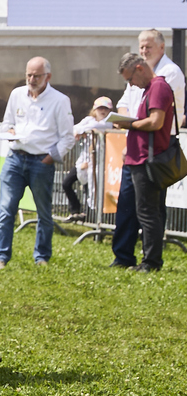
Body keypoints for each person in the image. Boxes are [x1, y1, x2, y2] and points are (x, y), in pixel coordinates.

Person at [0, 57, 74, 271]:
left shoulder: (59, 100)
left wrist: (49, 157)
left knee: (43, 212)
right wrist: (8, 132)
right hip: (15, 158)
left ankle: (42, 256)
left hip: (41, 161)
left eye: (37, 75)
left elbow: (68, 137)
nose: (32, 79)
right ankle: (0, 257)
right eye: (29, 75)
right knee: (6, 209)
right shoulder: (17, 94)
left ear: (48, 76)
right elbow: (7, 123)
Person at [113, 51, 176, 272]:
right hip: (141, 157)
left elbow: (156, 122)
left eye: (131, 79)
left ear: (140, 68)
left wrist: (128, 124)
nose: (132, 84)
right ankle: (149, 260)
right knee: (148, 211)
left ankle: (151, 262)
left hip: (148, 159)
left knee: (148, 213)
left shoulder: (158, 86)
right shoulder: (151, 87)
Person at [63, 95, 115, 220]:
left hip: (99, 162)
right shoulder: (88, 120)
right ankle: (75, 210)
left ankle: (91, 216)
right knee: (67, 183)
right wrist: (79, 131)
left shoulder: (110, 123)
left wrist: (82, 131)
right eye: (100, 108)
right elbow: (74, 128)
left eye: (105, 109)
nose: (102, 111)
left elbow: (97, 127)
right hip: (84, 159)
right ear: (94, 109)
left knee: (92, 189)